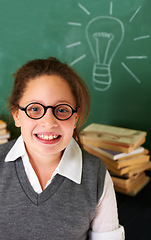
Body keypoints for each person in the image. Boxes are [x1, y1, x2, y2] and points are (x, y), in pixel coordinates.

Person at [0, 57, 124, 239]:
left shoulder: (96, 175)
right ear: (17, 115)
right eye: (35, 109)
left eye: (62, 110)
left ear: (76, 117)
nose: (49, 122)